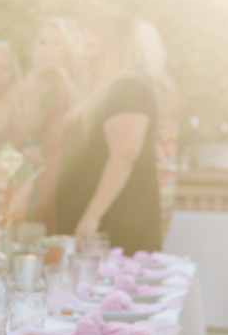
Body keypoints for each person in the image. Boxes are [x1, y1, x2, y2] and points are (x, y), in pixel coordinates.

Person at [55, 13, 161, 254]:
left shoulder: (129, 88)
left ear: (116, 49)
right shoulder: (109, 89)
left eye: (91, 46)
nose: (83, 54)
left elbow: (124, 155)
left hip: (115, 226)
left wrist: (92, 217)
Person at [21, 17, 83, 231]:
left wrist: (64, 79)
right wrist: (28, 94)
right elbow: (28, 129)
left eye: (56, 43)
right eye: (43, 43)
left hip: (71, 167)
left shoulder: (80, 78)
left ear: (69, 48)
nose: (48, 49)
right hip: (43, 167)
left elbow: (82, 117)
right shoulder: (36, 81)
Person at [134, 21, 178, 237]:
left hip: (154, 173)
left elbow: (163, 136)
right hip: (163, 174)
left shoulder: (157, 86)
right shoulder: (164, 85)